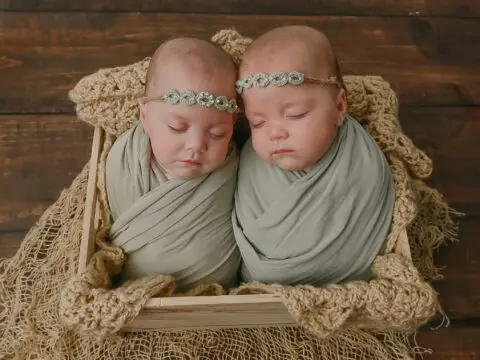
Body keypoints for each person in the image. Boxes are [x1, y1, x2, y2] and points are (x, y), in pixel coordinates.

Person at [233, 26, 396, 287]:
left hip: (349, 292)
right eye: (257, 122)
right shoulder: (249, 166)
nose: (275, 132)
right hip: (263, 294)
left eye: (295, 114)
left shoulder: (360, 162)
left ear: (340, 105)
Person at [105, 37, 241, 293]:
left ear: (234, 125)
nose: (197, 144)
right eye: (177, 127)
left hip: (218, 299)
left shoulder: (236, 169)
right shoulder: (127, 159)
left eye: (217, 133)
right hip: (137, 296)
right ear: (144, 116)